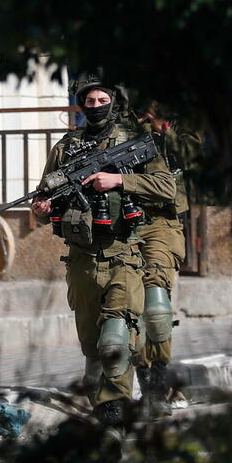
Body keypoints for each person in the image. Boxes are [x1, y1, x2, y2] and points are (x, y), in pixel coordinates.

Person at [32, 74, 175, 434]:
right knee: (93, 349)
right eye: (89, 102)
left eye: (101, 100)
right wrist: (41, 208)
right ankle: (104, 414)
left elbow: (165, 187)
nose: (95, 107)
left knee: (116, 339)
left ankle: (118, 411)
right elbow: (43, 195)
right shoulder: (66, 146)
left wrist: (119, 181)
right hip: (80, 259)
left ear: (113, 99)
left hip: (124, 253)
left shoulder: (134, 141)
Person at [134, 101, 201, 418]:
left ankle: (157, 389)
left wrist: (161, 126)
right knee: (125, 309)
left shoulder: (182, 119)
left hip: (162, 220)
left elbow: (189, 155)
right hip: (122, 219)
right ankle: (134, 385)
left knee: (156, 306)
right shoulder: (122, 114)